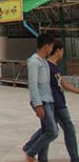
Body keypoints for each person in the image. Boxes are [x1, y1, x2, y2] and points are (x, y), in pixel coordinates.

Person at [42, 40, 79, 162]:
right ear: (58, 50)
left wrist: (77, 91)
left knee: (48, 131)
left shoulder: (55, 66)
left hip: (59, 103)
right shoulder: (47, 67)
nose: (63, 53)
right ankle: (75, 158)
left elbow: (62, 83)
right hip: (56, 104)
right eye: (62, 50)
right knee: (68, 129)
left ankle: (42, 158)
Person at [23, 33, 58, 162]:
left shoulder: (43, 62)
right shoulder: (34, 62)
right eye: (51, 47)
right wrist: (37, 105)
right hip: (42, 101)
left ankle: (42, 158)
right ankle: (31, 151)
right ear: (46, 46)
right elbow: (33, 84)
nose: (51, 50)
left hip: (48, 99)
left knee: (46, 131)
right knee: (53, 131)